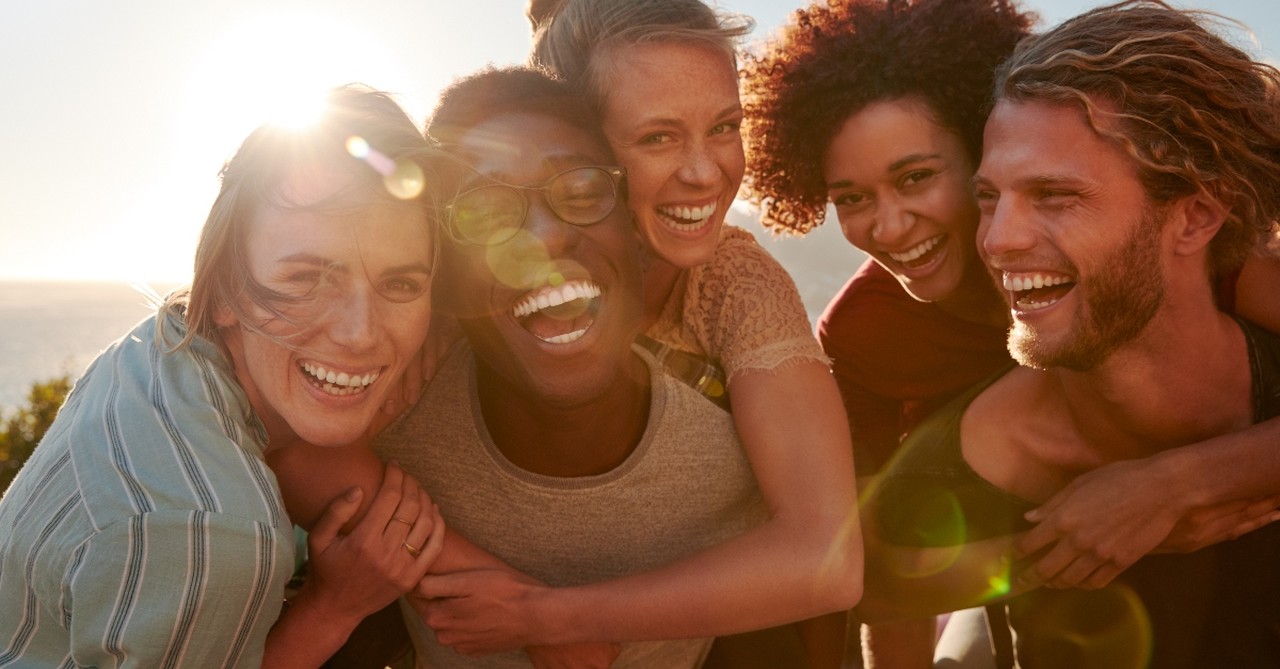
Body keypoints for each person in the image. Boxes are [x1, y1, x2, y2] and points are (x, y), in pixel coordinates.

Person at [739, 0, 1280, 665]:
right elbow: (876, 566)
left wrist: (1173, 484)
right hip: (1005, 539)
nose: (887, 227)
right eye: (850, 197)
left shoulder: (1216, 257)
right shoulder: (868, 332)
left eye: (916, 177)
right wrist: (1063, 546)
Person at [367, 66, 862, 668]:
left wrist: (543, 618)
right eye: (486, 213)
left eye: (580, 193)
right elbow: (297, 453)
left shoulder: (734, 457)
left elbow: (823, 570)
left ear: (636, 230)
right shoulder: (396, 413)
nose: (546, 238)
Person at [0, 85, 445, 668]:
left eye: (401, 284)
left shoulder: (162, 345)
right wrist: (332, 608)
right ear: (227, 286)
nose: (361, 334)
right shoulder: (210, 533)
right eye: (308, 277)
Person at [531, 1, 861, 664]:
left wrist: (554, 617)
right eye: (658, 137)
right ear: (576, 149)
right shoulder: (483, 270)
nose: (707, 172)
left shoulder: (735, 281)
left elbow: (827, 553)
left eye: (724, 127)